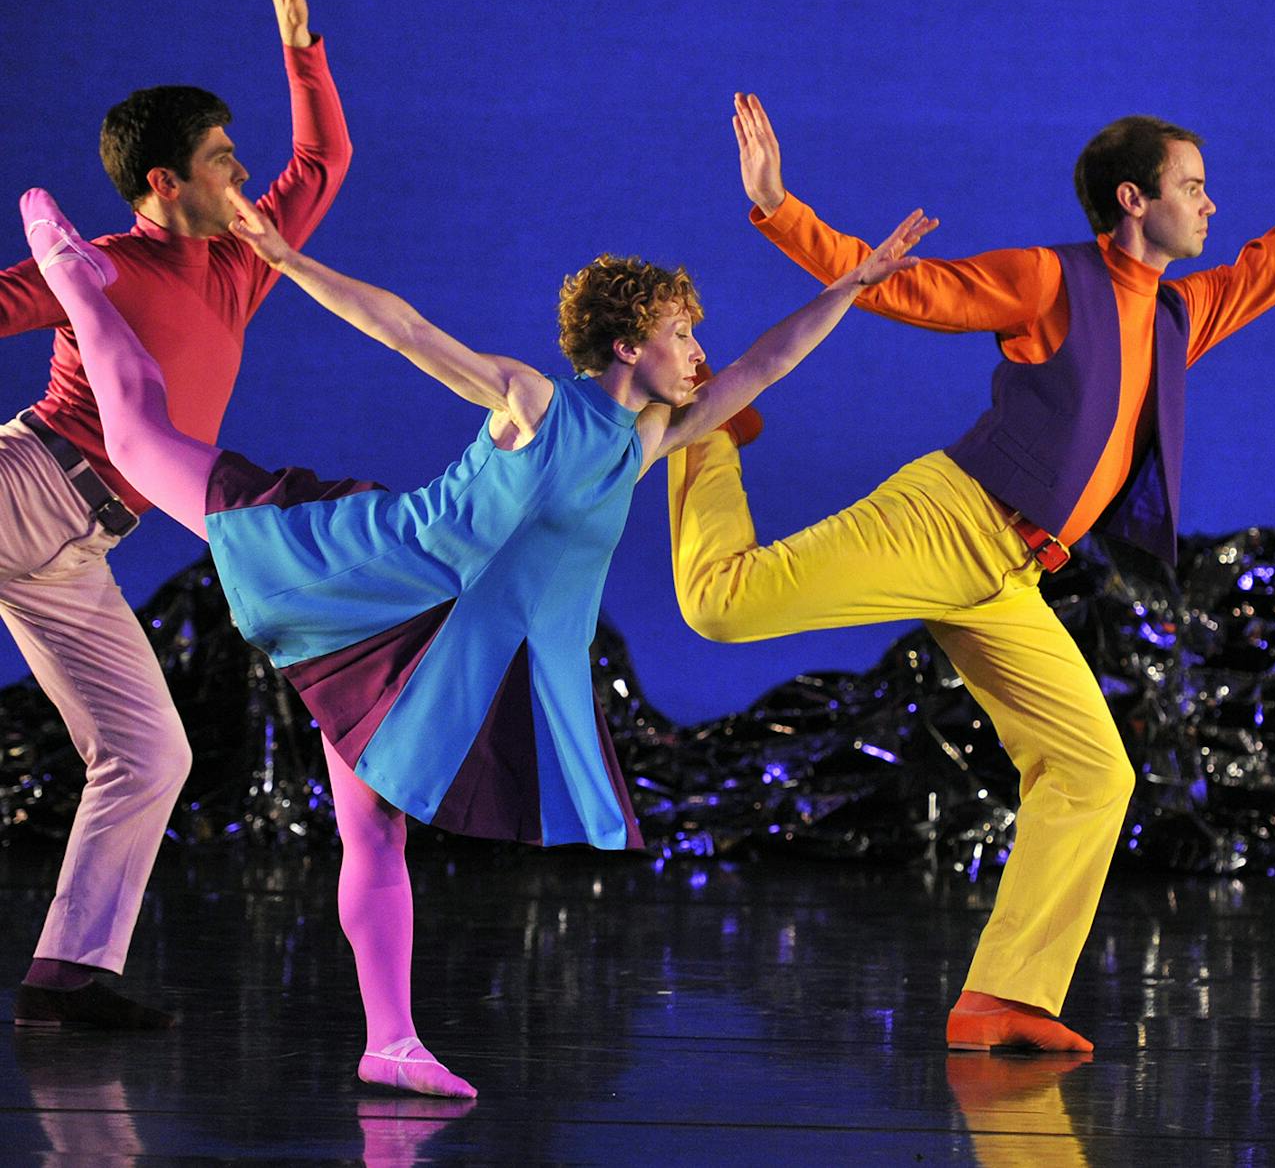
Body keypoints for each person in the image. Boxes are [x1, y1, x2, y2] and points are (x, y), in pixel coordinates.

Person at [18, 184, 935, 1096]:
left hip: (432, 647)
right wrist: (290, 262)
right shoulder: (536, 402)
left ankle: (392, 1044)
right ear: (627, 346)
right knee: (135, 436)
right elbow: (408, 331)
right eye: (683, 335)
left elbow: (766, 366)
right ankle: (73, 276)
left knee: (375, 830)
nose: (701, 354)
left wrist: (851, 285)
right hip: (365, 571)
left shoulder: (647, 440)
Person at [670, 0, 1275, 1052]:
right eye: (1192, 187)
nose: (1210, 205)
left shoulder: (1181, 310)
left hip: (1009, 574)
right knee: (720, 607)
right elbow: (904, 289)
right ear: (1133, 201)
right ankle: (700, 434)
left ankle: (1002, 999)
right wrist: (778, 207)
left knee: (1093, 772)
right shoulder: (1054, 279)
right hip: (949, 521)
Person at [0, 0, 352, 1030]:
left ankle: (69, 977)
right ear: (164, 181)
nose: (243, 176)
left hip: (79, 548)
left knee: (150, 752)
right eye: (221, 161)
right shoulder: (98, 264)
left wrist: (305, 51)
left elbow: (322, 166)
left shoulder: (242, 266)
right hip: (28, 487)